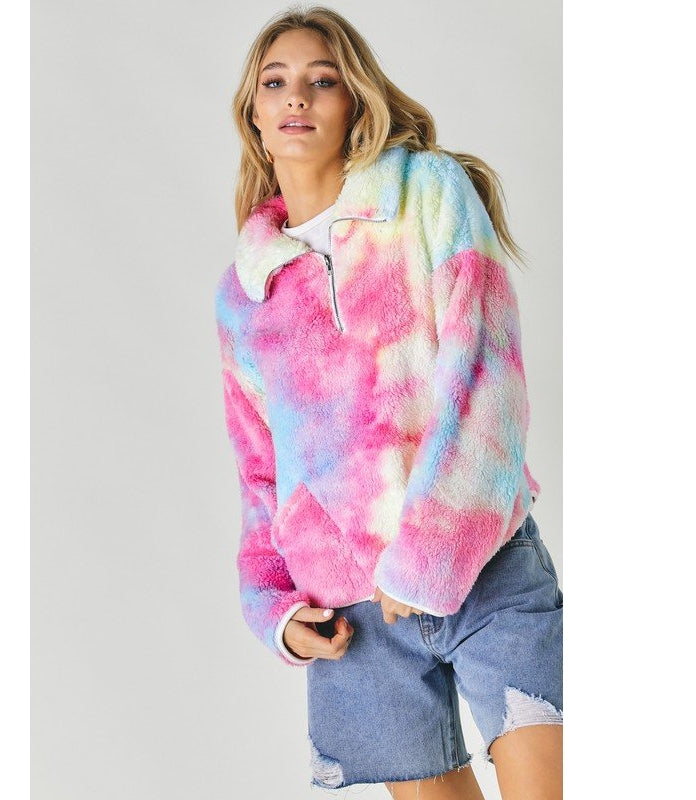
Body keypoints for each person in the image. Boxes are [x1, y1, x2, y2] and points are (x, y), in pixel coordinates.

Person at [213, 7, 562, 799]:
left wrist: (426, 556)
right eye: (275, 82)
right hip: (354, 619)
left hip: (484, 566)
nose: (296, 96)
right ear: (254, 114)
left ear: (354, 102)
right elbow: (259, 472)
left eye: (322, 80)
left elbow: (486, 376)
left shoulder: (426, 193)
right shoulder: (245, 290)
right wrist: (274, 608)